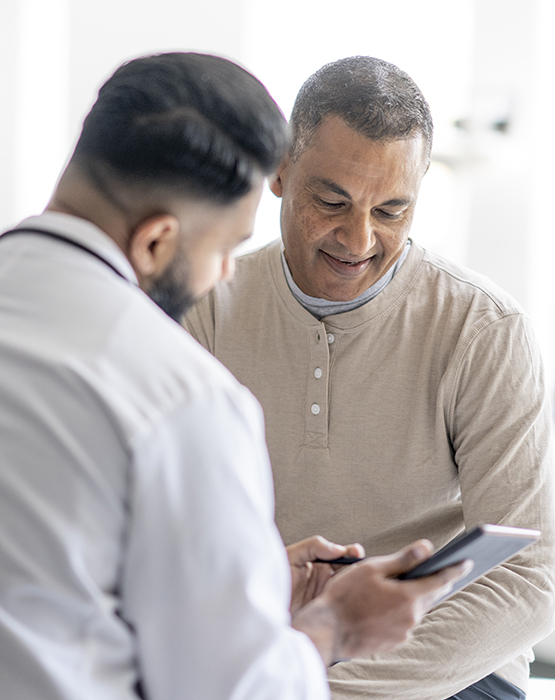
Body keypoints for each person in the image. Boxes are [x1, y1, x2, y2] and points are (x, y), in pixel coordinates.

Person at [0, 52, 468, 700]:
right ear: (157, 241)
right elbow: (230, 689)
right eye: (223, 249)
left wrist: (253, 579)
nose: (226, 275)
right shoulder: (179, 394)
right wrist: (334, 628)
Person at [183, 56, 555, 700]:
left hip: (445, 672)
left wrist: (330, 685)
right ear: (280, 170)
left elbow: (531, 577)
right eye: (332, 201)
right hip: (269, 653)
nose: (358, 239)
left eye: (391, 210)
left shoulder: (485, 330)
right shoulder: (206, 310)